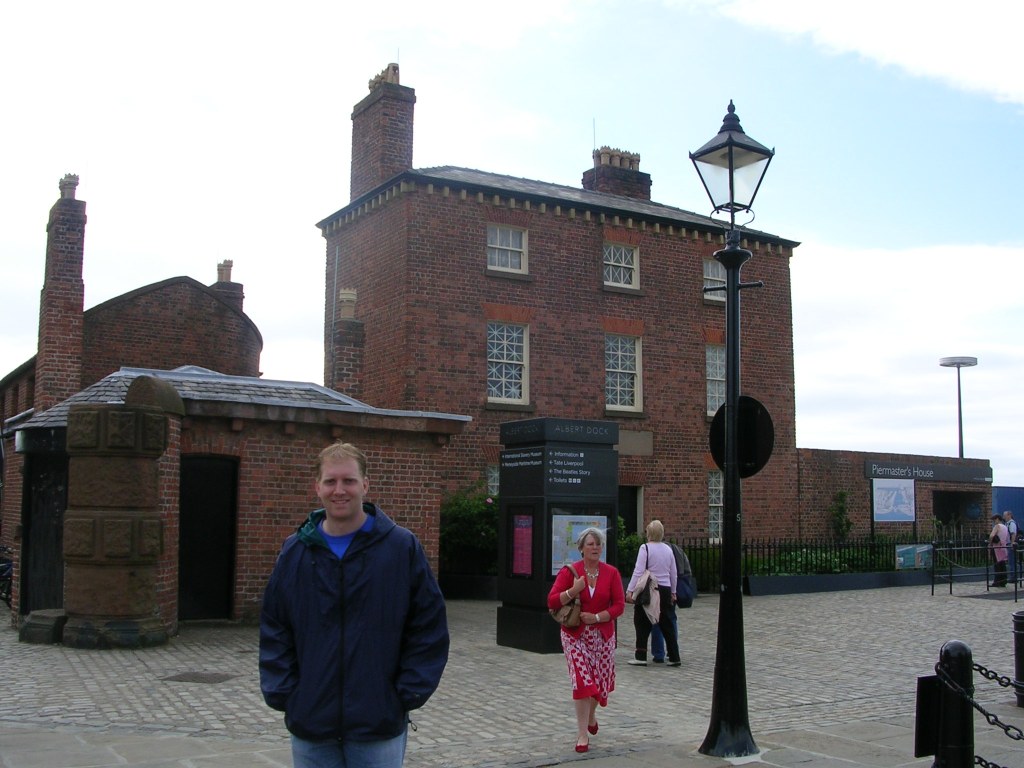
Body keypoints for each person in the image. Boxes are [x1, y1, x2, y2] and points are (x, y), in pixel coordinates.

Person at [259, 442, 449, 768]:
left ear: (365, 484)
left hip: (377, 722)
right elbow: (276, 627)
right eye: (330, 481)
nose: (339, 490)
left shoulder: (400, 548)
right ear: (317, 487)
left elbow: (427, 625)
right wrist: (287, 692)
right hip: (311, 722)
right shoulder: (296, 551)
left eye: (348, 480)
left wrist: (407, 693)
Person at [547, 527, 625, 754]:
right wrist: (573, 590)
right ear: (581, 548)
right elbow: (552, 601)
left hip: (602, 637)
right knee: (581, 682)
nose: (595, 548)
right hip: (575, 636)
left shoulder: (611, 573)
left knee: (599, 686)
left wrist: (598, 617)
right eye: (590, 544)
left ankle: (591, 715)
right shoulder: (570, 572)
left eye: (598, 544)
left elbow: (619, 605)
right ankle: (582, 734)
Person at [625, 520, 681, 668]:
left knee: (641, 621)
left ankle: (641, 655)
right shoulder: (668, 549)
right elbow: (673, 573)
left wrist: (630, 590)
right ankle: (674, 656)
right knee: (667, 623)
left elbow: (638, 571)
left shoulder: (645, 548)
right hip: (665, 588)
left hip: (649, 589)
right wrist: (673, 592)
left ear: (648, 533)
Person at [650, 540, 690, 663]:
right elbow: (687, 569)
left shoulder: (653, 550)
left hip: (659, 587)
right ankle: (672, 651)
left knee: (657, 619)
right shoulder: (677, 549)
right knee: (671, 619)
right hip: (673, 588)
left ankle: (658, 653)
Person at [989, 512, 1010, 588]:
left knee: (997, 565)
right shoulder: (1005, 527)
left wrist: (990, 543)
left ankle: (997, 581)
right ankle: (1003, 581)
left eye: (994, 520)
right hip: (1003, 547)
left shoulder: (997, 526)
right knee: (1002, 564)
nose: (994, 521)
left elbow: (992, 536)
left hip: (996, 547)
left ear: (997, 519)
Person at [1004, 510, 1019, 585]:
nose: (1004, 517)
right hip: (1008, 543)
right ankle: (1012, 576)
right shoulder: (1007, 523)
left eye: (1005, 515)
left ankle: (1013, 577)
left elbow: (1013, 534)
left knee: (1012, 561)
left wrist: (1012, 543)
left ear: (1009, 515)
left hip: (1010, 544)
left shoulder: (1011, 523)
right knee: (1010, 561)